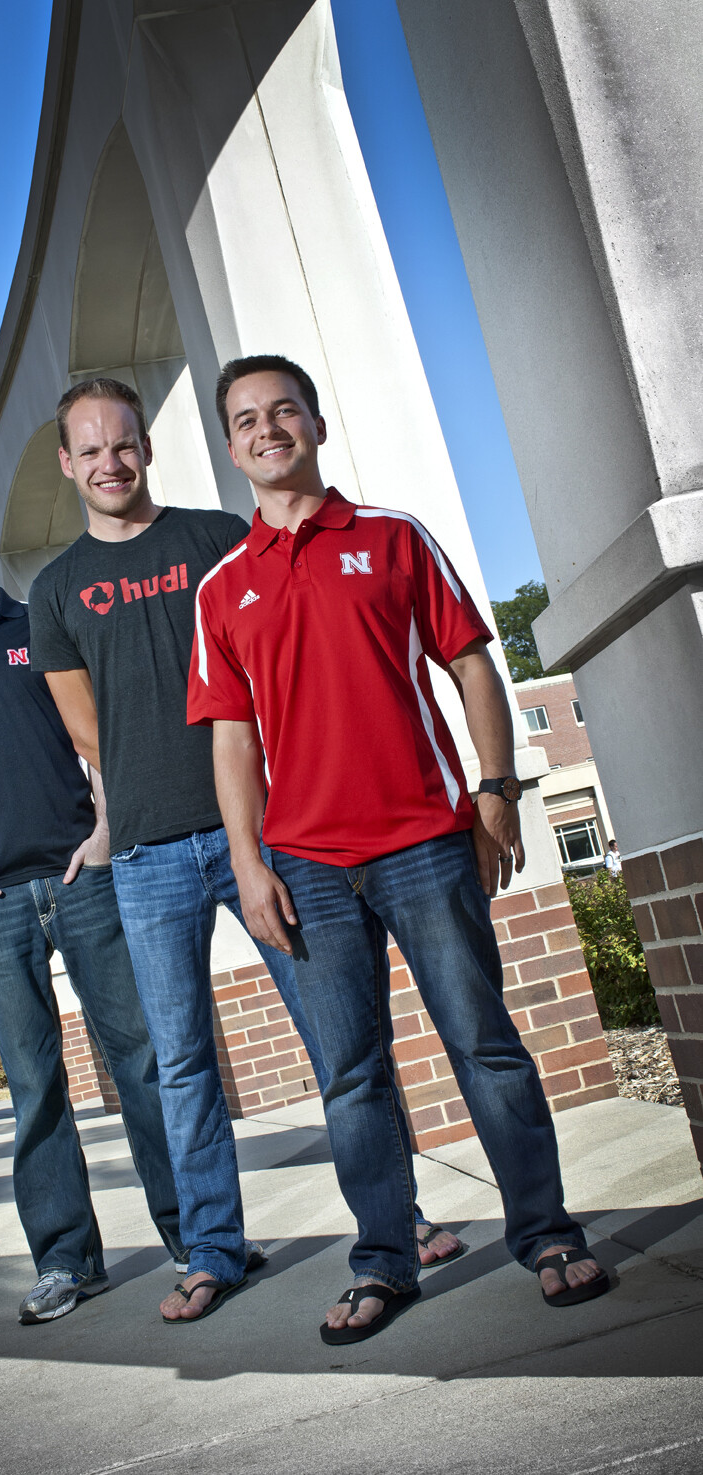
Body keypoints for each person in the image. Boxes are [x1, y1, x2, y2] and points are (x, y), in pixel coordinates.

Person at [188, 354, 610, 1344]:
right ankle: (384, 1258)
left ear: (316, 425)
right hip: (304, 867)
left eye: (283, 409)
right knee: (350, 1074)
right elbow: (231, 736)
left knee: (484, 1043)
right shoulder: (222, 589)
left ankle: (544, 1232)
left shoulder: (389, 537)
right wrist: (248, 862)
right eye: (246, 418)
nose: (266, 428)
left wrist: (493, 787)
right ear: (231, 447)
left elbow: (469, 660)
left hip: (424, 838)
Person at [27, 378, 458, 1324]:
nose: (109, 462)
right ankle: (215, 1248)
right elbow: (88, 732)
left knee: (335, 1033)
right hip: (144, 852)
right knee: (182, 1062)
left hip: (262, 835)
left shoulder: (216, 538)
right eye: (89, 449)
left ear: (147, 447)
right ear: (67, 463)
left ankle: (402, 1218)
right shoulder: (53, 590)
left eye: (123, 443)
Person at [0, 479, 185, 1325]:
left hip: (79, 879)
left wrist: (104, 825)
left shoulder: (35, 622)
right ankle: (66, 1261)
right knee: (34, 1086)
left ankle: (193, 1236)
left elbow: (94, 731)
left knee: (142, 1063)